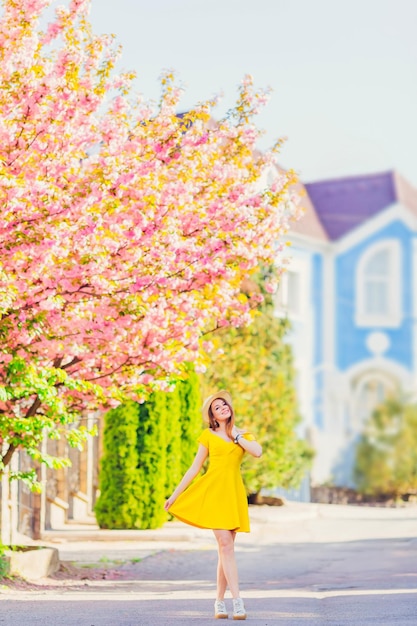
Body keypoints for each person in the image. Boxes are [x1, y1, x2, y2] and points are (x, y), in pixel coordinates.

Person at [164, 390, 262, 621]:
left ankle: (219, 601)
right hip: (213, 492)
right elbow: (194, 468)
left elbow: (257, 452)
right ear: (212, 415)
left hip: (233, 494)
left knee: (225, 551)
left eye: (225, 405)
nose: (223, 408)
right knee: (225, 544)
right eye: (217, 407)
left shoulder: (244, 435)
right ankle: (237, 601)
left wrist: (236, 436)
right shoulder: (207, 435)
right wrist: (176, 494)